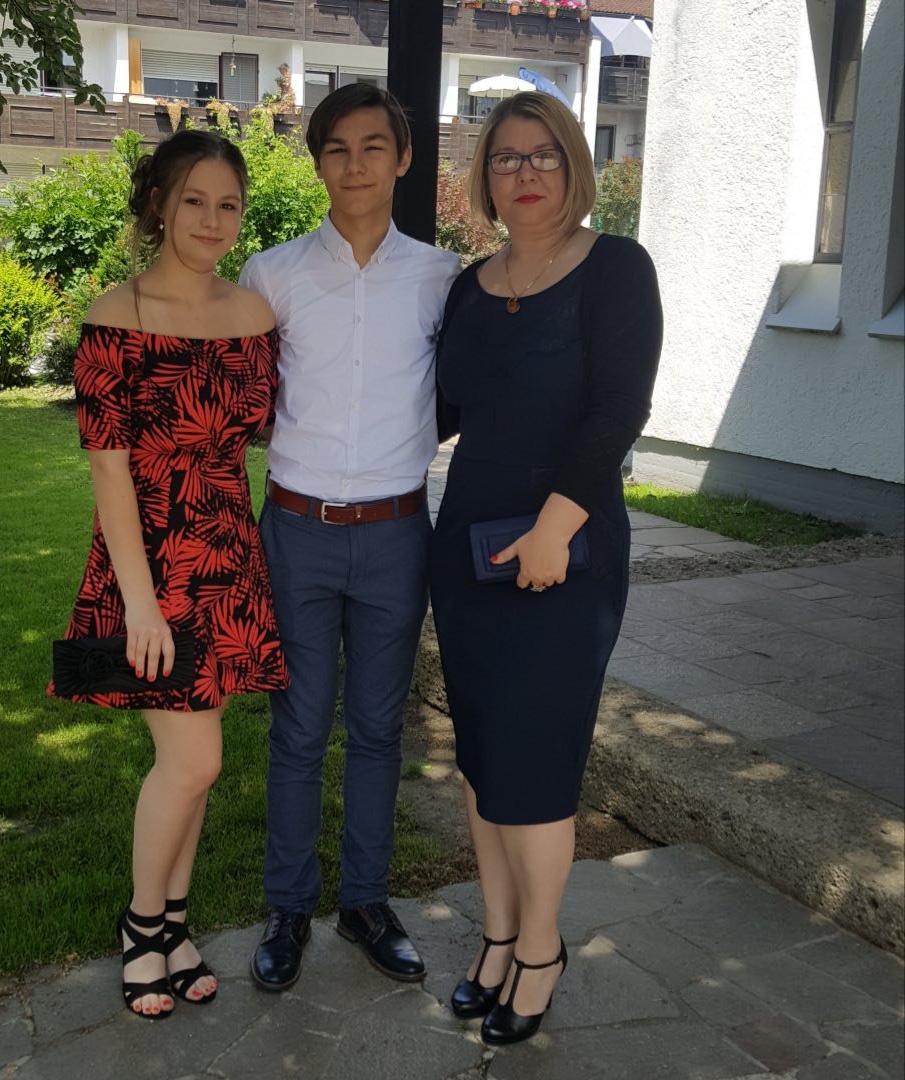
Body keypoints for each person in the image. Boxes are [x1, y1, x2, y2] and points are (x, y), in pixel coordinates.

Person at [429, 91, 662, 1046]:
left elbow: (619, 409)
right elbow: (435, 410)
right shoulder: (467, 288)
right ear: (485, 177)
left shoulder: (616, 269)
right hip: (470, 543)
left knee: (535, 755)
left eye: (544, 155)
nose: (524, 173)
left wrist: (553, 531)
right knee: (481, 753)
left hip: (567, 546)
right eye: (506, 158)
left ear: (574, 166)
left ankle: (540, 948)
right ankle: (496, 936)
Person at [48, 130, 289, 1020]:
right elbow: (109, 471)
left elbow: (267, 428)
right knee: (192, 760)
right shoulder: (117, 315)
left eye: (229, 205)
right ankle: (141, 927)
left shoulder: (254, 314)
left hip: (228, 558)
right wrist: (141, 607)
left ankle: (174, 929)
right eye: (195, 201)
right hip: (146, 565)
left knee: (196, 765)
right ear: (159, 204)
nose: (213, 221)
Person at [238, 83, 461, 991]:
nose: (356, 164)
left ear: (404, 159)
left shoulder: (444, 278)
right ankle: (288, 907)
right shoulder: (271, 274)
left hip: (398, 532)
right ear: (318, 163)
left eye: (375, 146)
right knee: (298, 728)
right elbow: (246, 396)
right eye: (337, 148)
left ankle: (366, 902)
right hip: (297, 529)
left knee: (376, 728)